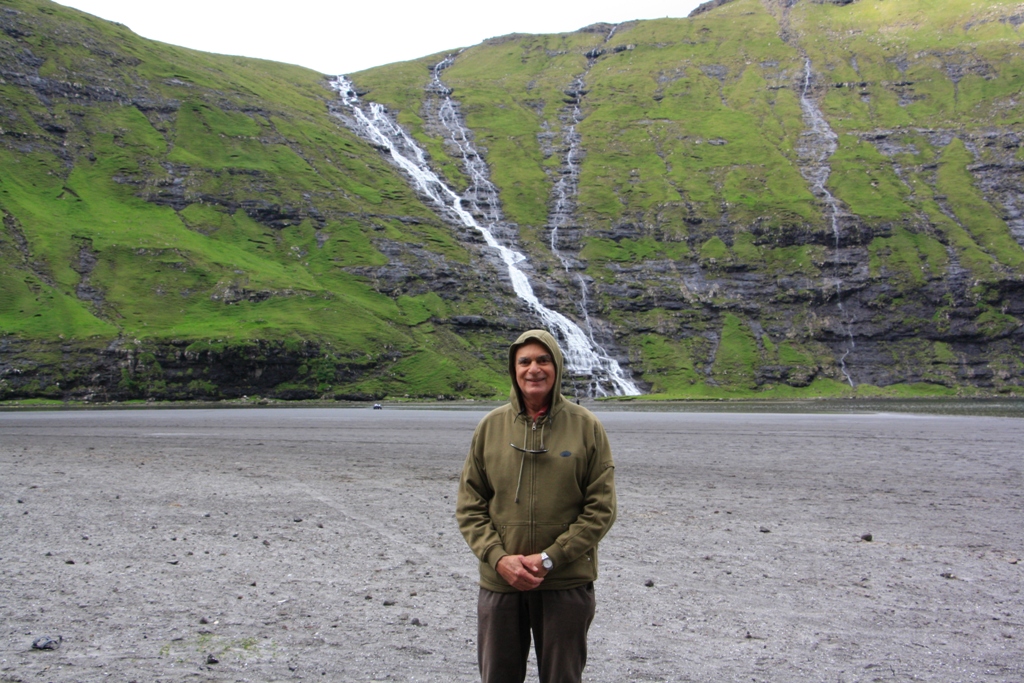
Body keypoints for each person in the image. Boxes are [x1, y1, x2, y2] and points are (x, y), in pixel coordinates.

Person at [456, 329, 617, 683]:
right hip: (502, 581)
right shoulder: (490, 427)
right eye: (524, 361)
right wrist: (499, 559)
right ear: (513, 370)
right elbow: (470, 504)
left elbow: (601, 509)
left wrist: (550, 558)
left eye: (543, 360)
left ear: (557, 366)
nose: (534, 369)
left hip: (565, 581)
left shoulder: (586, 427)